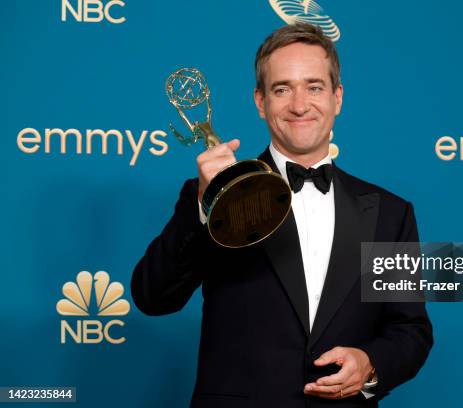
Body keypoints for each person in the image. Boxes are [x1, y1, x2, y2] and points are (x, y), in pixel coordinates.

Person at [131, 22, 433, 408]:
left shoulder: (390, 213)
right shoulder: (213, 194)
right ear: (260, 102)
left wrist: (370, 364)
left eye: (314, 87)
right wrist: (204, 206)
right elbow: (152, 298)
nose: (299, 104)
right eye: (282, 89)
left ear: (337, 98)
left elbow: (410, 330)